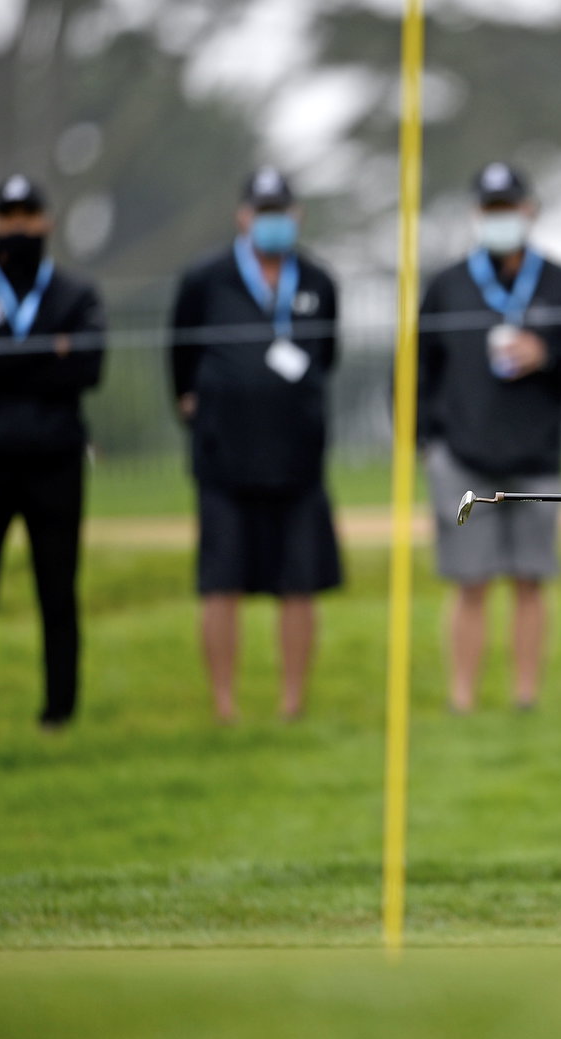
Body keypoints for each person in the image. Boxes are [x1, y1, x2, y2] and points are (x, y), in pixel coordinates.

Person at [418, 162, 561, 714]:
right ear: (477, 216)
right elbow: (415, 370)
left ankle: (525, 698)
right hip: (461, 458)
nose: (500, 218)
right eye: (490, 210)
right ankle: (462, 700)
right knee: (469, 581)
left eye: (509, 208)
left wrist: (548, 356)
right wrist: (426, 443)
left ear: (529, 211)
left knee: (531, 579)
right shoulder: (448, 286)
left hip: (537, 457)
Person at [169, 166, 341, 724]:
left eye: (282, 212)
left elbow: (327, 356)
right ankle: (225, 708)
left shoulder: (318, 282)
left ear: (298, 216)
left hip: (297, 459)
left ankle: (293, 704)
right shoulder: (206, 278)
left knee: (299, 582)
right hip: (225, 458)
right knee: (222, 582)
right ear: (243, 216)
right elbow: (180, 358)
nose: (273, 222)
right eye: (262, 212)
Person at [0, 174, 105, 738]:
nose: (19, 226)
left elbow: (86, 368)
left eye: (28, 216)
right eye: (8, 217)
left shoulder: (76, 294)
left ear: (47, 222)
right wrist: (46, 352)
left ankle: (58, 715)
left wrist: (1, 352)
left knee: (58, 591)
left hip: (54, 459)